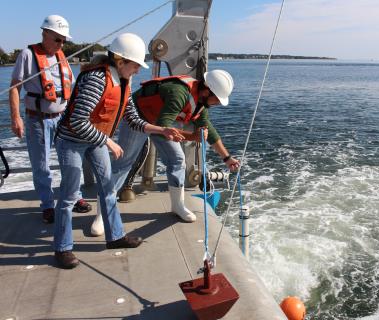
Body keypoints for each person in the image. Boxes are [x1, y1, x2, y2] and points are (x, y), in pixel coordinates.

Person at [53, 33, 184, 269]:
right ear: (120, 61)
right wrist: (109, 141)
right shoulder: (96, 80)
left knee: (108, 188)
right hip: (71, 142)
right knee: (69, 196)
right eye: (135, 65)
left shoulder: (123, 83)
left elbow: (133, 118)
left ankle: (115, 236)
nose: (137, 70)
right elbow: (77, 121)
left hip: (95, 141)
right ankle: (63, 248)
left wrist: (161, 130)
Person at [89, 69, 240, 236]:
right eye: (217, 100)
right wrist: (192, 137)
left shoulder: (201, 102)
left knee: (177, 159)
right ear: (206, 90)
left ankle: (177, 205)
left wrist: (227, 158)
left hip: (160, 123)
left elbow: (208, 131)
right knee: (123, 164)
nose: (217, 103)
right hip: (139, 119)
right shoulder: (179, 93)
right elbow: (164, 127)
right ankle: (101, 214)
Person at [9, 15, 92, 225]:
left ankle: (74, 196)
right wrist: (16, 117)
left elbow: (71, 88)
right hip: (38, 120)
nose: (61, 44)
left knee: (70, 160)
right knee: (42, 165)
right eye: (57, 39)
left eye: (64, 40)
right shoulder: (27, 55)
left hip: (63, 118)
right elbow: (15, 88)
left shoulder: (61, 56)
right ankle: (47, 205)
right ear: (44, 33)